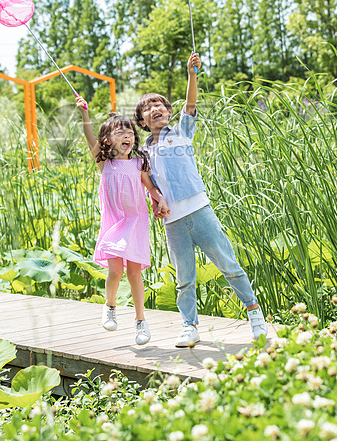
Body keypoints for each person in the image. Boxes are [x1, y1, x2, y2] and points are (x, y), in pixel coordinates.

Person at [133, 52, 268, 348]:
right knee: (184, 278)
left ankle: (255, 315)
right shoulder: (142, 152)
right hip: (173, 222)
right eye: (148, 108)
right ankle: (189, 326)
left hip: (199, 211)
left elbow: (190, 104)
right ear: (142, 122)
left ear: (169, 112)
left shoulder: (181, 131)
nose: (156, 109)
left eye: (160, 105)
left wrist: (192, 74)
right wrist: (155, 200)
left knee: (228, 264)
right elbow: (148, 185)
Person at [76, 96, 170, 346]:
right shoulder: (103, 161)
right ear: (107, 140)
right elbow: (88, 135)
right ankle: (110, 306)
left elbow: (151, 188)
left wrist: (160, 200)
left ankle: (141, 321)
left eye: (130, 131)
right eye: (120, 131)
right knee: (115, 271)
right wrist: (85, 113)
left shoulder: (139, 162)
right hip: (115, 222)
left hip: (136, 222)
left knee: (134, 273)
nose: (127, 135)